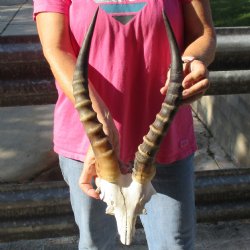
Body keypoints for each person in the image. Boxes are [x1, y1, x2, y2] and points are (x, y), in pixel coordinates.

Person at [33, 0, 216, 249]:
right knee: (97, 244)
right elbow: (56, 48)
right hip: (91, 142)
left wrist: (193, 61)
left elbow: (203, 34)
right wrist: (101, 118)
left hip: (163, 137)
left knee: (174, 245)